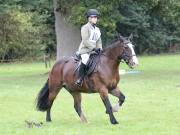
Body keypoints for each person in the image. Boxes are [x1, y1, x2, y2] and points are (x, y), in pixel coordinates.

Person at [75, 9, 103, 86]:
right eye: (94, 17)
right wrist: (94, 48)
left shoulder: (97, 29)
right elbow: (85, 40)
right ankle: (79, 79)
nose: (95, 19)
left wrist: (100, 48)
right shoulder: (85, 28)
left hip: (94, 51)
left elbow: (99, 41)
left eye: (96, 17)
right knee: (85, 59)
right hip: (85, 50)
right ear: (89, 18)